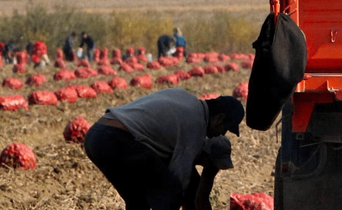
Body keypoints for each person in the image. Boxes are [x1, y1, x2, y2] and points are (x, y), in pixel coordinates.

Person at [84, 89, 244, 210]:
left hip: (97, 135)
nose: (221, 134)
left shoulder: (187, 99)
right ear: (219, 118)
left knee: (138, 201)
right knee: (170, 192)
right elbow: (179, 180)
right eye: (225, 129)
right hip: (116, 138)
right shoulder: (196, 125)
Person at [186, 136, 234, 210]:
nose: (215, 167)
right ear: (205, 154)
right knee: (189, 186)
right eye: (214, 162)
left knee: (194, 189)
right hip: (166, 157)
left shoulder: (213, 163)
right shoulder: (189, 148)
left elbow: (202, 197)